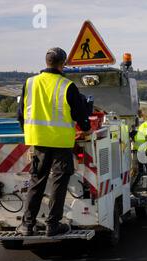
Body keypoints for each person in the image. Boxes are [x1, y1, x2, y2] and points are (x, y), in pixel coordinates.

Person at [16, 47, 91, 237]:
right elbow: (80, 114)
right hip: (61, 142)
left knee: (37, 181)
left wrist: (27, 132)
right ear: (62, 64)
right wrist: (85, 128)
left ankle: (27, 225)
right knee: (59, 181)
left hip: (38, 140)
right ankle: (52, 225)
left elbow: (21, 113)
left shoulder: (30, 82)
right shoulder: (67, 86)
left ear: (46, 62)